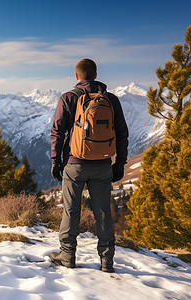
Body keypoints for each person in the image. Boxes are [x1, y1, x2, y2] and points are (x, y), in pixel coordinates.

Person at [50, 58, 129, 272]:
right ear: (95, 75)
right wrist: (119, 163)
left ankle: (67, 255)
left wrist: (55, 160)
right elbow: (121, 133)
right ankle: (107, 260)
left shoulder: (68, 98)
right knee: (103, 212)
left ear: (77, 76)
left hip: (74, 164)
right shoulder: (111, 100)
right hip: (103, 164)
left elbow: (57, 131)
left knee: (71, 211)